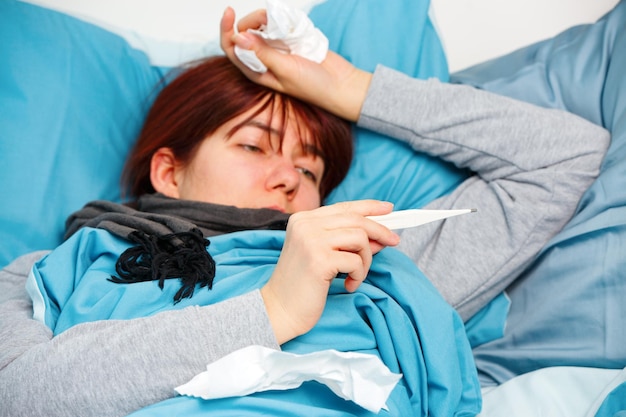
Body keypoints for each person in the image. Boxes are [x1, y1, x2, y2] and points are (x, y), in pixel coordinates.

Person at [0, 6, 610, 417]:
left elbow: (563, 159)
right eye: (253, 145)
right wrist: (272, 310)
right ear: (169, 171)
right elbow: (19, 393)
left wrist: (344, 87)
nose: (289, 175)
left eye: (312, 169)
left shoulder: (365, 266)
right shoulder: (39, 273)